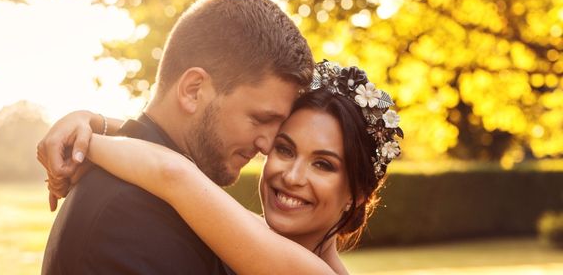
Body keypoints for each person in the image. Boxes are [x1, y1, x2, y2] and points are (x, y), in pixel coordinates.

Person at [38, 0, 314, 275]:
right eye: (259, 118)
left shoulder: (183, 198)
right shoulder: (129, 214)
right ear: (193, 90)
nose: (267, 145)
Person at [40, 61, 403, 275]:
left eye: (324, 164)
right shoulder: (239, 229)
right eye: (284, 149)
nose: (291, 177)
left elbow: (174, 174)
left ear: (356, 194)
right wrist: (94, 120)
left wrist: (84, 144)